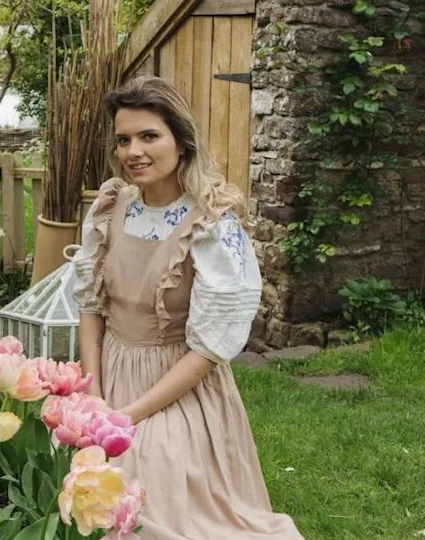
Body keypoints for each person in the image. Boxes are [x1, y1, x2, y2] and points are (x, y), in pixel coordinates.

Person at [72, 74, 304, 539]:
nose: (133, 151)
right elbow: (91, 307)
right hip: (110, 370)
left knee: (151, 500)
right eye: (123, 140)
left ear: (181, 142)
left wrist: (129, 416)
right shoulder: (110, 208)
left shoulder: (212, 226)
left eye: (148, 136)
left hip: (177, 385)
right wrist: (93, 395)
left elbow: (209, 350)